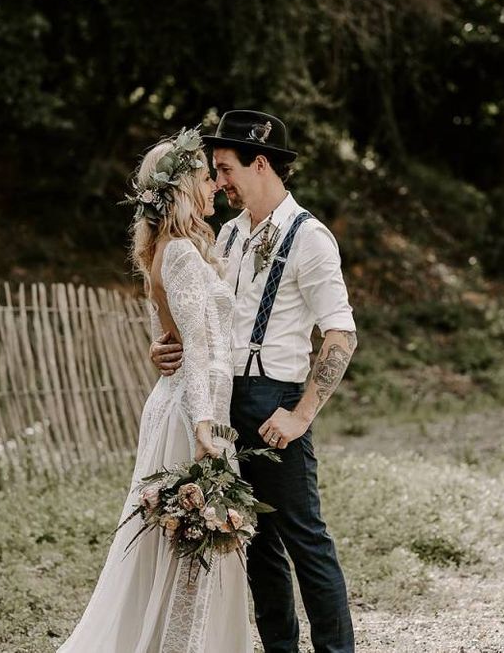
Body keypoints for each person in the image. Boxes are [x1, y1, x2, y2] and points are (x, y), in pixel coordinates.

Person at [152, 110, 357, 653]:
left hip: (276, 401)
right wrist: (165, 345)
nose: (218, 184)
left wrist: (301, 414)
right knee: (255, 542)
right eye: (215, 173)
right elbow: (207, 321)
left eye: (225, 170)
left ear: (260, 162)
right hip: (223, 403)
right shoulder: (229, 235)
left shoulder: (310, 237)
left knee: (304, 541)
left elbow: (340, 335)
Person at [58, 128, 253, 653]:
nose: (214, 184)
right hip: (193, 416)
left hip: (178, 406)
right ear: (184, 186)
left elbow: (163, 339)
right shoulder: (183, 254)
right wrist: (205, 432)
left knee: (177, 543)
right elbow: (201, 354)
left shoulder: (168, 249)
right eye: (205, 176)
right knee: (190, 546)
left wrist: (173, 371)